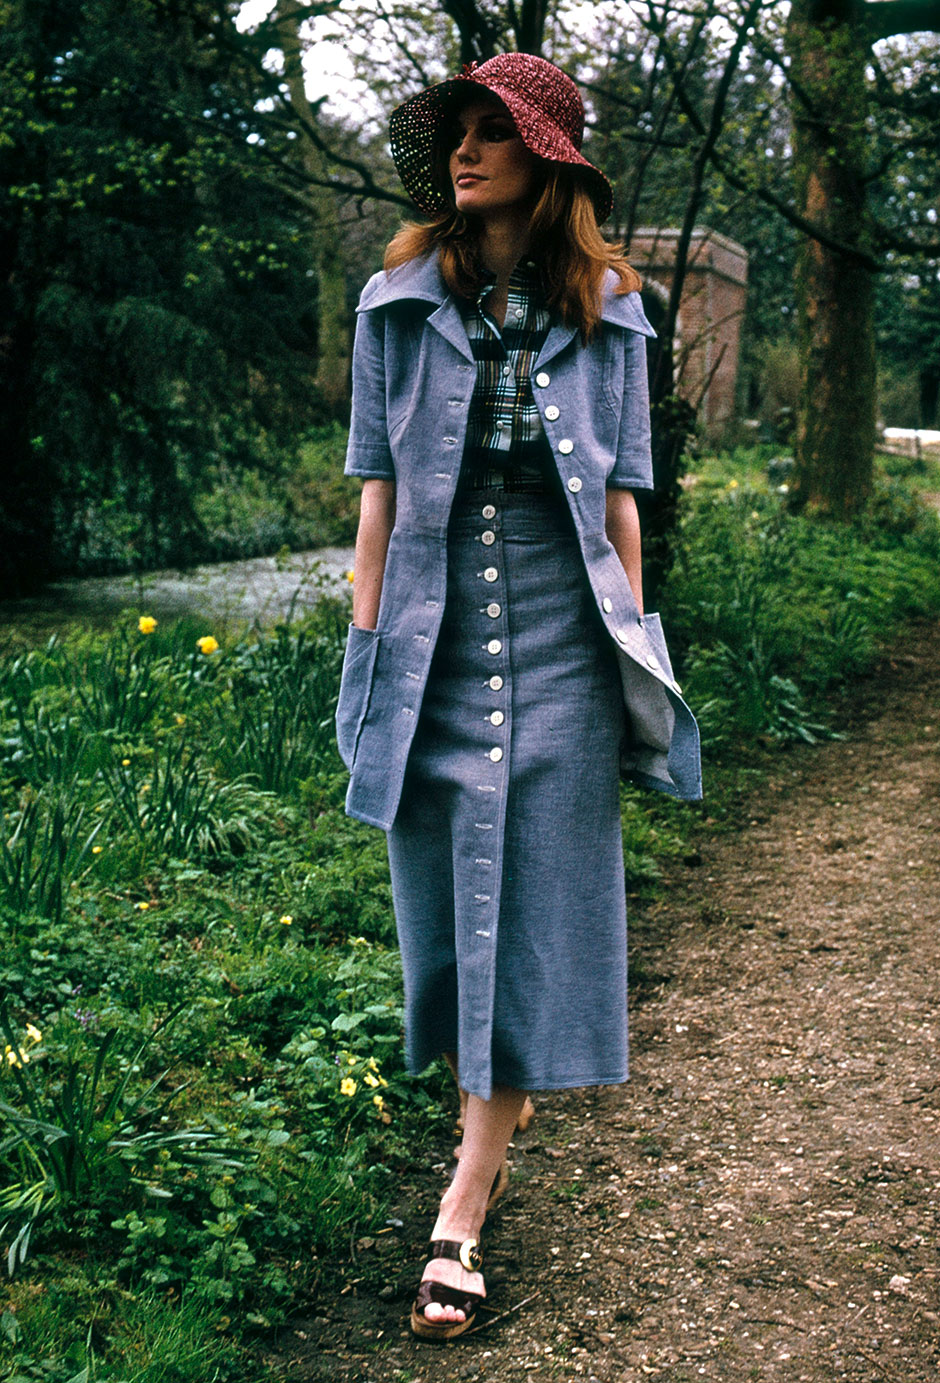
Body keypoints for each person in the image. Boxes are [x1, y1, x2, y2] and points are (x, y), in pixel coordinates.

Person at [335, 52, 701, 1341]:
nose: (467, 152)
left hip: (561, 633)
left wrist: (634, 662)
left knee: (536, 897)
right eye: (459, 132)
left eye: (496, 135)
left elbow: (620, 511)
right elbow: (376, 508)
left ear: (548, 161)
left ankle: (462, 1211)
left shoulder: (614, 308)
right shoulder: (391, 303)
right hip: (428, 640)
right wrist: (367, 660)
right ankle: (497, 1102)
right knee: (448, 902)